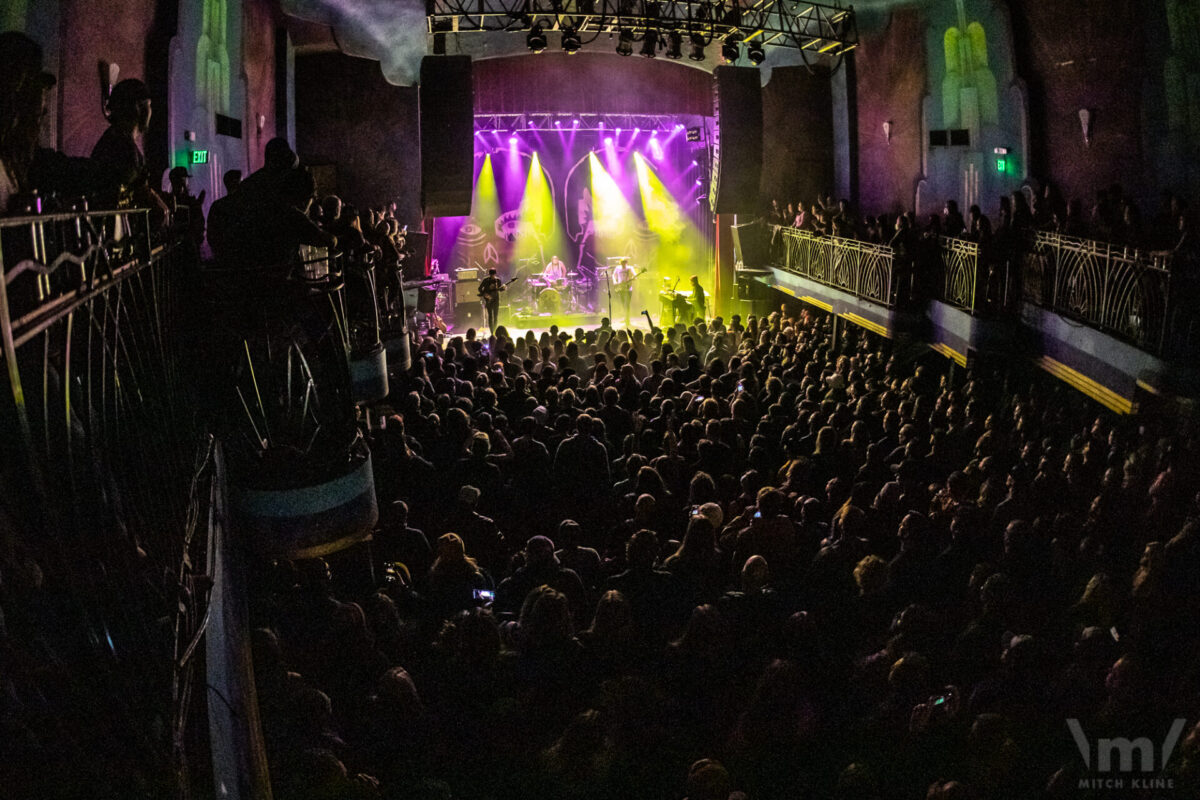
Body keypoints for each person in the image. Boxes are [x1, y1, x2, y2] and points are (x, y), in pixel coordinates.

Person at [90, 78, 170, 223]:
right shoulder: (122, 147)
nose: (152, 111)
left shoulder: (115, 139)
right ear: (138, 108)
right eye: (149, 105)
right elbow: (138, 192)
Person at [478, 268, 505, 333]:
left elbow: (499, 289)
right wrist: (485, 295)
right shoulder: (485, 280)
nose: (492, 276)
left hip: (496, 299)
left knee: (495, 316)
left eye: (493, 274)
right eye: (491, 274)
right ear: (489, 274)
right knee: (490, 316)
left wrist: (503, 288)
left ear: (495, 274)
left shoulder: (498, 280)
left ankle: (495, 331)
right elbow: (480, 288)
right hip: (488, 300)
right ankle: (491, 332)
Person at [612, 257, 637, 325]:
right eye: (622, 263)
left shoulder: (630, 268)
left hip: (628, 288)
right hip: (621, 288)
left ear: (626, 263)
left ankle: (627, 319)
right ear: (620, 263)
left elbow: (635, 275)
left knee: (627, 304)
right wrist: (615, 282)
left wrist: (633, 278)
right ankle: (625, 318)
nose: (623, 264)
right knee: (623, 304)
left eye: (625, 263)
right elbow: (613, 275)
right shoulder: (617, 268)